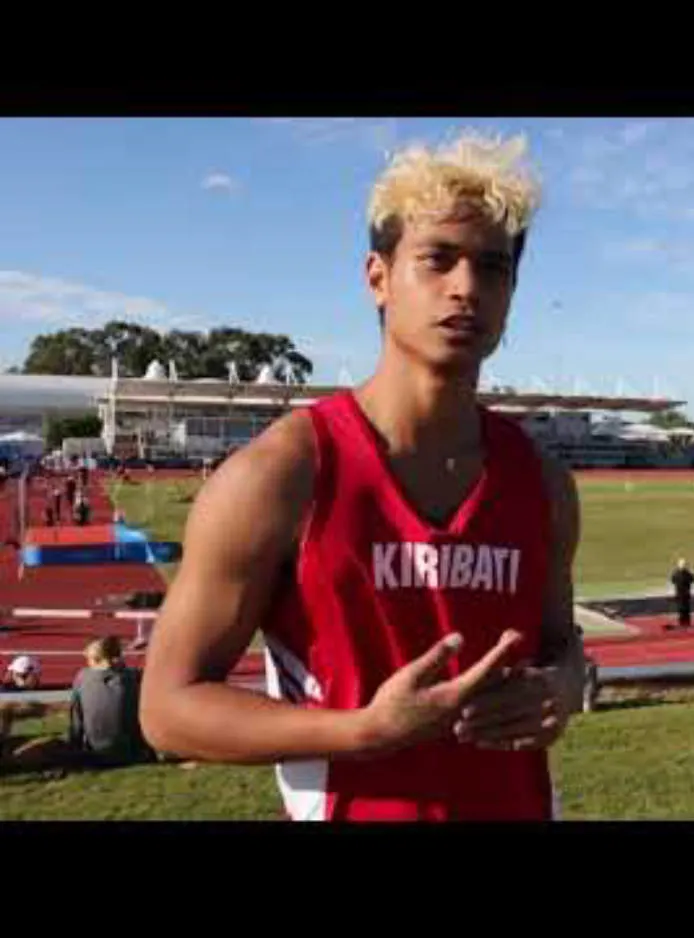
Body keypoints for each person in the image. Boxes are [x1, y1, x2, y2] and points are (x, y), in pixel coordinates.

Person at [139, 131, 586, 822]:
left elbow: (561, 642)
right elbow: (168, 710)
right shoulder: (279, 476)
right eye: (438, 259)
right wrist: (365, 731)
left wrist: (559, 686)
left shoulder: (544, 482)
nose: (466, 287)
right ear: (378, 276)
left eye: (493, 268)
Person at [68, 637, 153, 767]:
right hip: (130, 753)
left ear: (96, 660)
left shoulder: (81, 677)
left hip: (95, 753)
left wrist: (74, 749)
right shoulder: (133, 676)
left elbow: (76, 719)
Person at [669, 558, 694, 630]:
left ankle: (684, 622)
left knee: (683, 608)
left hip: (682, 593)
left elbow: (672, 580)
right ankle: (685, 622)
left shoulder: (678, 573)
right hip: (683, 593)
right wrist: (692, 574)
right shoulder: (685, 573)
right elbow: (693, 579)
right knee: (684, 608)